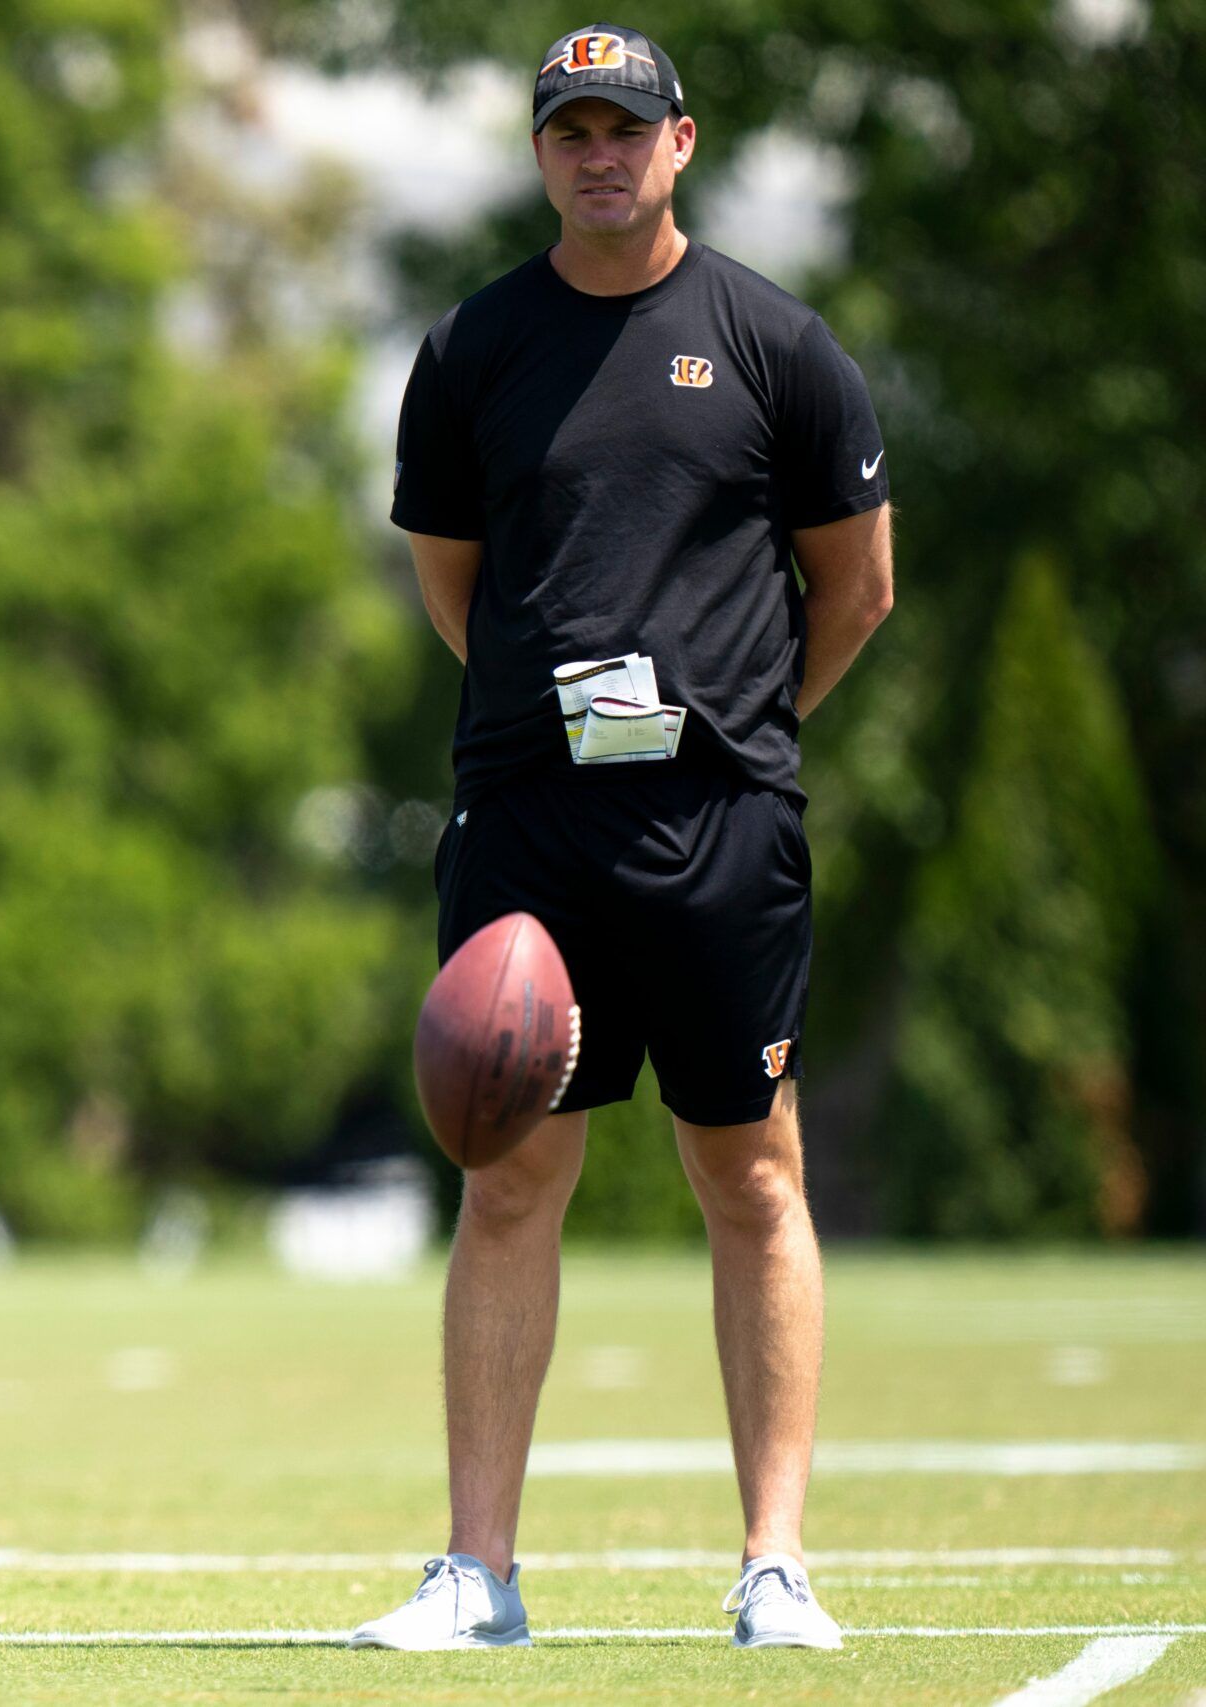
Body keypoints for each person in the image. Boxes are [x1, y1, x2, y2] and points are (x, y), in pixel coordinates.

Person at [349, 22, 895, 1652]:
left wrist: (741, 724)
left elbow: (855, 585)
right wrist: (542, 719)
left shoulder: (774, 344)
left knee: (751, 1172)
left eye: (624, 127)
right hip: (529, 823)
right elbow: (452, 586)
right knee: (510, 1178)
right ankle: (478, 1573)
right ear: (541, 155)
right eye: (569, 129)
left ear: (682, 144)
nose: (597, 151)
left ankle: (774, 1564)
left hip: (722, 819)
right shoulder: (475, 350)